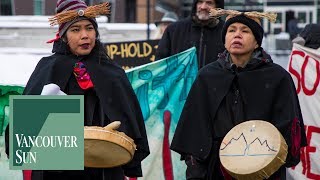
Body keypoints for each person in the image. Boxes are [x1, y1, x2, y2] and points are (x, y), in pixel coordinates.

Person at [5, 0, 149, 179]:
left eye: (89, 28)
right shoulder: (48, 69)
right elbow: (23, 137)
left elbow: (132, 129)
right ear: (63, 36)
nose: (85, 35)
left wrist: (116, 139)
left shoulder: (113, 73)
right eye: (75, 30)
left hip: (104, 169)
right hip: (57, 173)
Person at [170, 9, 307, 180]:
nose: (237, 35)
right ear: (225, 39)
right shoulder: (207, 76)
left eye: (245, 30)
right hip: (216, 171)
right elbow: (194, 130)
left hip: (264, 169)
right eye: (232, 30)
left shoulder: (277, 78)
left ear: (257, 42)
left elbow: (289, 131)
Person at [156, 0, 225, 69]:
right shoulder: (174, 30)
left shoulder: (227, 31)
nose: (203, 7)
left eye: (209, 3)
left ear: (217, 7)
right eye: (200, 2)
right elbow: (160, 64)